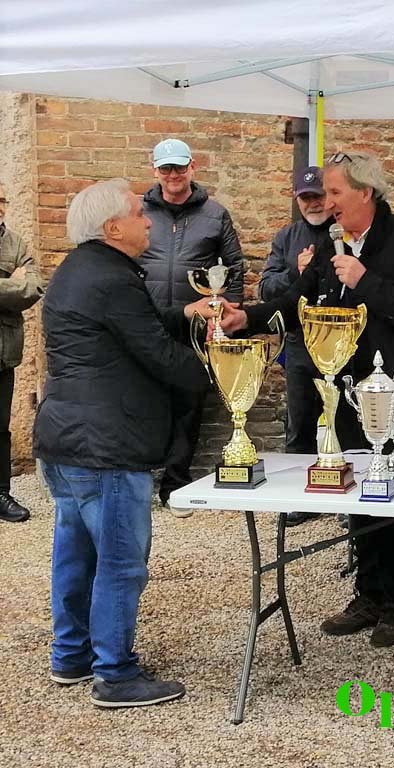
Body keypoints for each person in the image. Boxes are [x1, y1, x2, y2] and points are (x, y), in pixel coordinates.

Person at [219, 151, 394, 647]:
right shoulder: (330, 243)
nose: (327, 202)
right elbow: (297, 301)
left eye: (336, 192)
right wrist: (248, 318)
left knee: (392, 495)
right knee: (358, 493)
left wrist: (366, 282)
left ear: (365, 192)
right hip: (342, 390)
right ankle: (368, 594)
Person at [35, 179, 212, 706]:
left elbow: (135, 326)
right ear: (113, 228)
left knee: (76, 553)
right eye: (138, 213)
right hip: (107, 445)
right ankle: (115, 674)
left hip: (68, 439)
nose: (148, 219)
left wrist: (187, 314)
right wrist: (217, 367)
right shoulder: (113, 279)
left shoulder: (79, 270)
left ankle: (72, 655)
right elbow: (156, 353)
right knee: (120, 560)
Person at [139, 138, 244, 511]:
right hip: (147, 321)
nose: (173, 175)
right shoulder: (138, 211)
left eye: (179, 167)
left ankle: (175, 483)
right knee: (142, 400)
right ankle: (139, 481)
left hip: (194, 327)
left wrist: (227, 313)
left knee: (188, 404)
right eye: (166, 168)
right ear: (155, 170)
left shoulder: (215, 214)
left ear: (192, 167)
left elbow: (234, 267)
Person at [259, 165, 333, 527]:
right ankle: (302, 497)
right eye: (306, 197)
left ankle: (350, 497)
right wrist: (295, 273)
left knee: (346, 421)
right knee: (300, 423)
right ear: (296, 199)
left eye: (318, 195)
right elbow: (265, 289)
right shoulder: (286, 238)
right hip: (301, 343)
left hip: (342, 343)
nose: (313, 203)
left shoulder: (345, 230)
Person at [0, 184, 43, 523]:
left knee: (0, 428)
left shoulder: (16, 244)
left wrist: (19, 283)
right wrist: (9, 283)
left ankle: (1, 493)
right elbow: (18, 286)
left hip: (3, 351)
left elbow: (32, 287)